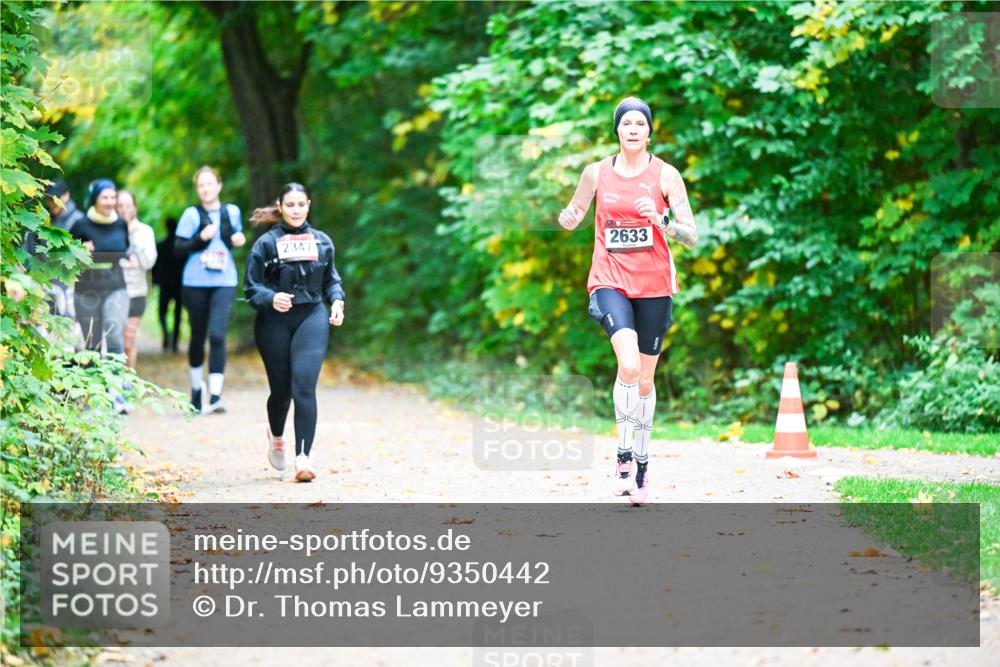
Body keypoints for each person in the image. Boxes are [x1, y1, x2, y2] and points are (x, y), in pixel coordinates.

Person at [558, 97, 699, 505]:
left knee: (645, 380)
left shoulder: (667, 176)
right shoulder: (595, 172)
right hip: (609, 280)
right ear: (617, 130)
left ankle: (642, 463)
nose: (633, 128)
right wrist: (568, 219)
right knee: (629, 364)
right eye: (627, 123)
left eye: (641, 123)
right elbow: (575, 210)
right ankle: (621, 458)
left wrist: (662, 221)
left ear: (649, 131)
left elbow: (691, 234)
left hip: (654, 284)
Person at [244, 183, 345, 482]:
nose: (297, 210)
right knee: (282, 391)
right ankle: (276, 436)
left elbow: (331, 280)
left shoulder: (322, 242)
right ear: (280, 206)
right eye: (290, 205)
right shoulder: (265, 244)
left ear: (309, 205)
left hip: (312, 315)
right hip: (274, 320)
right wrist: (270, 298)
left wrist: (337, 300)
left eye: (301, 204)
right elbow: (251, 288)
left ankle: (303, 458)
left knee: (304, 387)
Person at [174, 166, 246, 414]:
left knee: (217, 335)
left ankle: (215, 395)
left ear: (219, 186)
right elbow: (178, 249)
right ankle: (196, 389)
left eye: (209, 183)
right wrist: (200, 239)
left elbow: (234, 237)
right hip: (195, 283)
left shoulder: (231, 211)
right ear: (198, 189)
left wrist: (239, 239)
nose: (205, 188)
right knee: (197, 336)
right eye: (200, 185)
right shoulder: (191, 215)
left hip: (224, 281)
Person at [70, 179, 130, 357]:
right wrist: (79, 250)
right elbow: (65, 257)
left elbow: (126, 250)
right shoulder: (80, 225)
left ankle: (116, 381)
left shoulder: (121, 224)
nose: (110, 202)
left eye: (113, 197)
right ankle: (94, 384)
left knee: (114, 336)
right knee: (92, 341)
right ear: (95, 199)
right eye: (105, 197)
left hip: (115, 287)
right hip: (86, 290)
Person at [116, 189, 157, 370]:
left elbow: (149, 262)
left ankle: (127, 383)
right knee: (112, 339)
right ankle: (112, 385)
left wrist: (135, 239)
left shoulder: (145, 232)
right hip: (113, 291)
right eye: (121, 206)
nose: (124, 210)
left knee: (128, 339)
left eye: (128, 205)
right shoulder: (110, 230)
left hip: (136, 292)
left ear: (135, 207)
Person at [152, 217, 184, 352]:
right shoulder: (181, 247)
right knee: (177, 313)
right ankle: (175, 341)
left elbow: (155, 265)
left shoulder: (161, 245)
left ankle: (167, 334)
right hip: (179, 284)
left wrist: (154, 280)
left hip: (165, 284)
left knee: (162, 313)